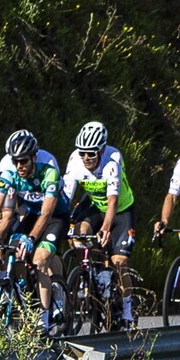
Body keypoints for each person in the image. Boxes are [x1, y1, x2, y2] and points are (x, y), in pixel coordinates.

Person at [62, 121, 137, 328]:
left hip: (121, 210)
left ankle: (128, 310)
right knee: (78, 234)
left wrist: (105, 228)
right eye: (82, 153)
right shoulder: (75, 162)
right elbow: (66, 196)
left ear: (102, 151)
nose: (86, 158)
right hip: (95, 205)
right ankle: (86, 274)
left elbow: (112, 201)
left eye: (91, 154)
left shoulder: (112, 163)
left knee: (119, 261)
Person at [0, 129, 65, 322]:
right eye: (15, 161)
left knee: (40, 261)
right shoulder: (10, 173)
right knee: (14, 252)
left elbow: (47, 213)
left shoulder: (49, 172)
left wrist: (31, 238)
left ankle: (44, 319)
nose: (19, 166)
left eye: (24, 161)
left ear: (34, 157)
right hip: (32, 214)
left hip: (55, 216)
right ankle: (25, 294)